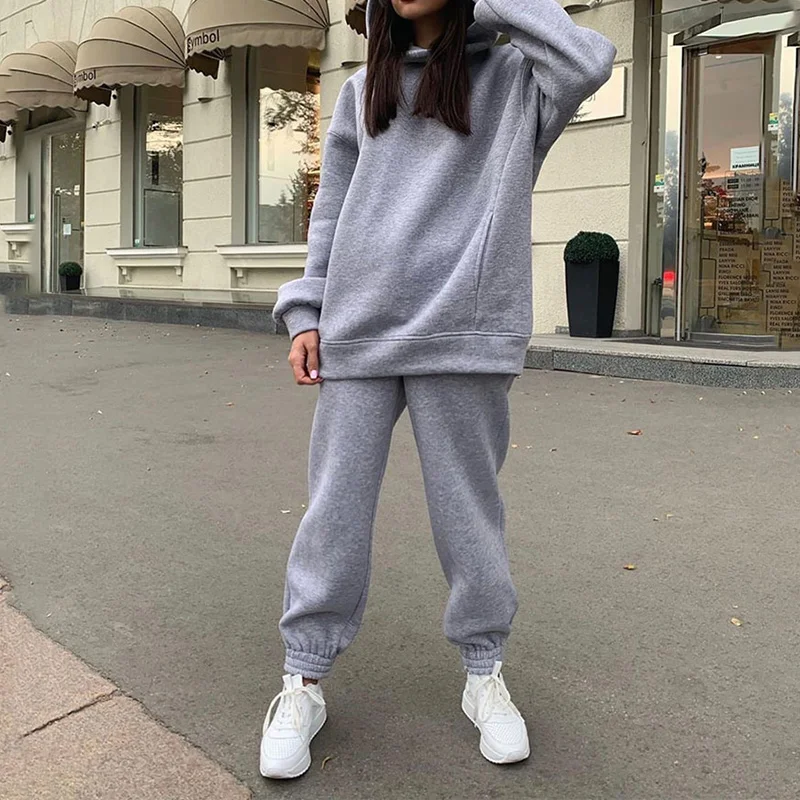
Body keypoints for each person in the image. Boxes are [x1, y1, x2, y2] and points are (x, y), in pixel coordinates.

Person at [261, 0, 615, 779]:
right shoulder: (362, 91)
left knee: (468, 515)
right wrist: (306, 310)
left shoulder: (518, 79)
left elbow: (589, 59)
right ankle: (303, 679)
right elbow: (332, 212)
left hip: (464, 327)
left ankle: (484, 673)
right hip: (359, 327)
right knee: (334, 510)